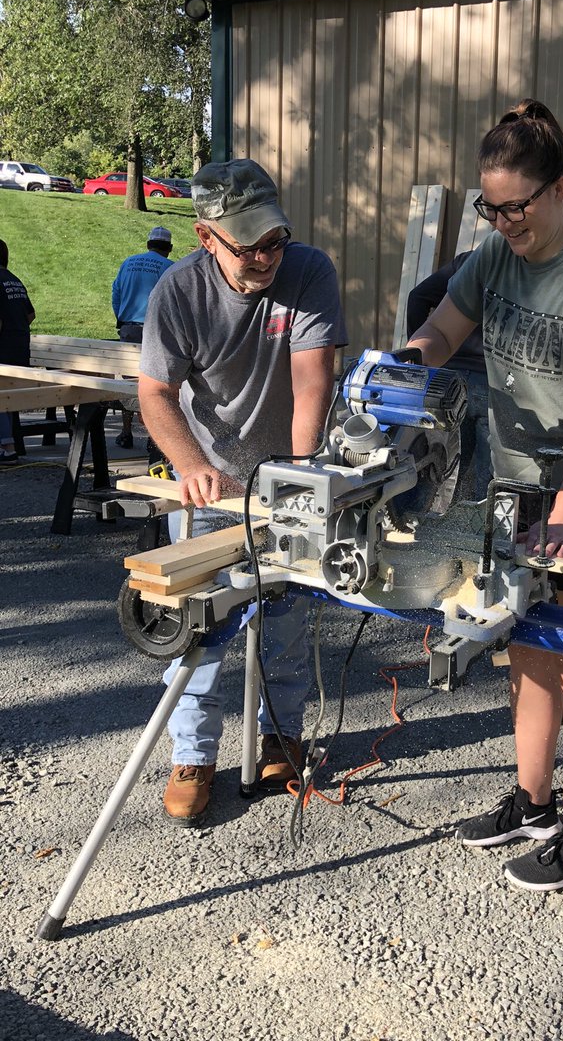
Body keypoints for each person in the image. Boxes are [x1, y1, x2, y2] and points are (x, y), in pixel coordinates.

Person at [409, 99, 563, 892]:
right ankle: (534, 799)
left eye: (518, 205)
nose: (505, 220)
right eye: (492, 205)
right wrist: (406, 366)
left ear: (560, 188)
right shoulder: (494, 255)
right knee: (524, 649)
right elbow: (443, 331)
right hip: (515, 484)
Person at [138, 159, 347, 825]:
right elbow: (156, 394)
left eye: (273, 240)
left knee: (284, 617)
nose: (263, 257)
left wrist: (300, 474)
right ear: (206, 237)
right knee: (198, 623)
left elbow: (313, 383)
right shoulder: (178, 292)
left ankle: (281, 734)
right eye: (246, 245)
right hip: (211, 483)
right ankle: (194, 754)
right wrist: (193, 465)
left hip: (283, 475)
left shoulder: (308, 272)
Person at [406, 251, 492, 501]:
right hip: (491, 381)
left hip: (448, 382)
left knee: (441, 460)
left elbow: (417, 297)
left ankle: (425, 521)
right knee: (485, 474)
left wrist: (423, 356)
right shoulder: (515, 268)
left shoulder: (465, 263)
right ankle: (474, 532)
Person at [111, 225, 174, 448]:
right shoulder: (170, 268)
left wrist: (121, 318)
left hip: (129, 328)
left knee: (129, 383)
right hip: (155, 332)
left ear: (148, 245)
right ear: (169, 248)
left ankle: (125, 432)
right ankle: (153, 438)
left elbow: (116, 293)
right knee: (157, 385)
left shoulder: (128, 263)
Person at [0, 239, 36, 466]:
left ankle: (7, 448)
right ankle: (11, 443)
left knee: (1, 398)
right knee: (7, 398)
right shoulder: (14, 280)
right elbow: (30, 315)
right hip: (20, 348)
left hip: (2, 348)